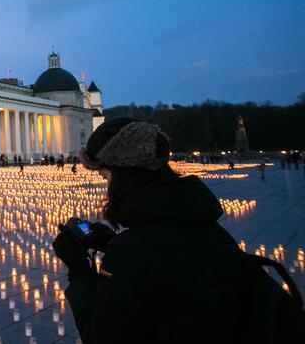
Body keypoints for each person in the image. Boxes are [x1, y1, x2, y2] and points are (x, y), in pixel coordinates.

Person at [52, 118, 251, 343]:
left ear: (124, 174)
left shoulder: (134, 251)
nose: (107, 188)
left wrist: (79, 269)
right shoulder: (210, 229)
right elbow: (173, 259)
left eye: (105, 177)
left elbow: (101, 336)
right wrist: (112, 244)